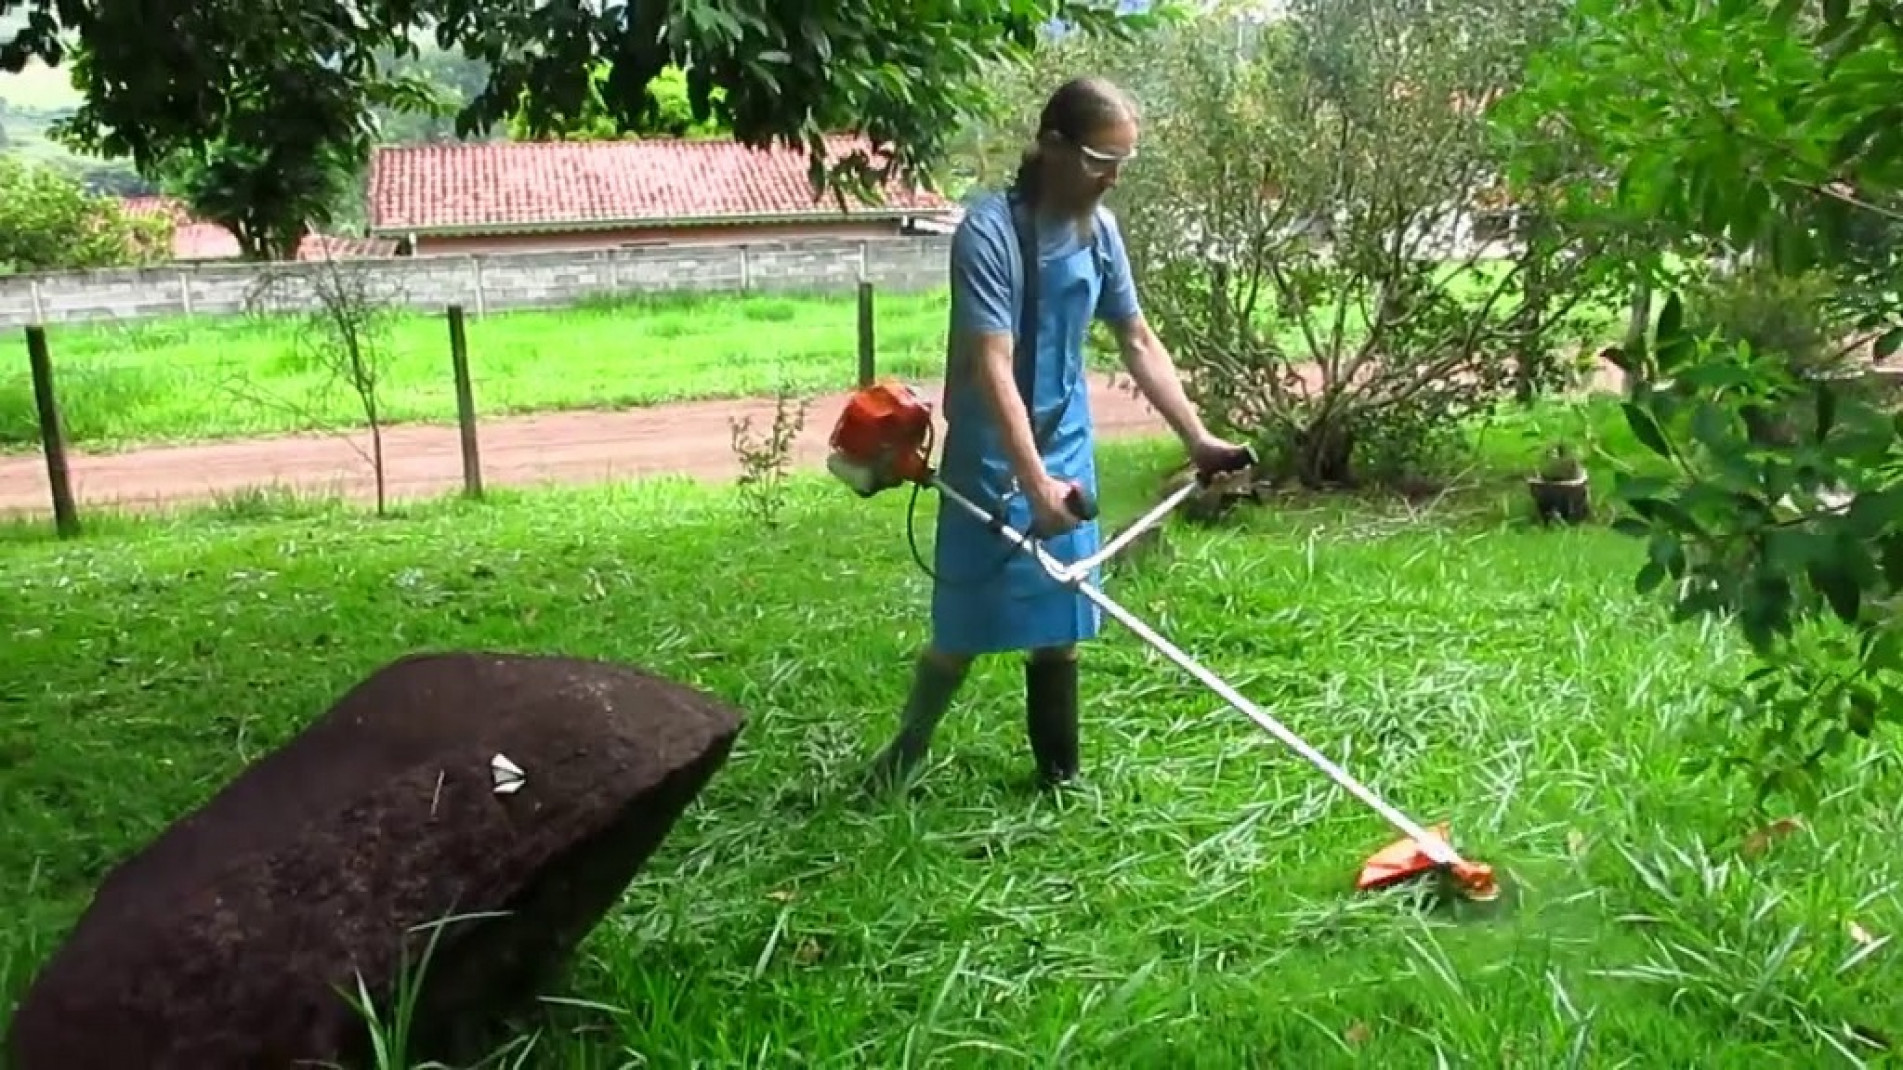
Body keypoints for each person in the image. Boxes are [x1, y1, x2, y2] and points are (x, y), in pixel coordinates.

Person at [862, 75, 1252, 794]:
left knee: (1060, 621)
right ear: (1050, 147)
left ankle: (1058, 775)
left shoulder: (1099, 233)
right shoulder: (988, 232)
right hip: (989, 452)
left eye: (1120, 165)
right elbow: (991, 363)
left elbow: (1135, 337)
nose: (1110, 179)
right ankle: (904, 753)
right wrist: (1031, 481)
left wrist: (1197, 439)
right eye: (1100, 160)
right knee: (961, 628)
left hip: (1067, 445)